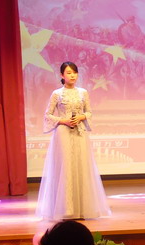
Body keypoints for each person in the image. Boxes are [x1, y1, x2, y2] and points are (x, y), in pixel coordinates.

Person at [36, 62, 110, 221]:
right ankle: (66, 209)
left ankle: (81, 209)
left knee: (81, 166)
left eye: (74, 72)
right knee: (66, 167)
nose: (72, 75)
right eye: (69, 73)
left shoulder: (83, 92)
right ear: (62, 75)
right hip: (63, 133)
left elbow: (89, 112)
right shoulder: (57, 94)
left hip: (80, 132)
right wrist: (63, 120)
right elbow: (48, 115)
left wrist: (81, 117)